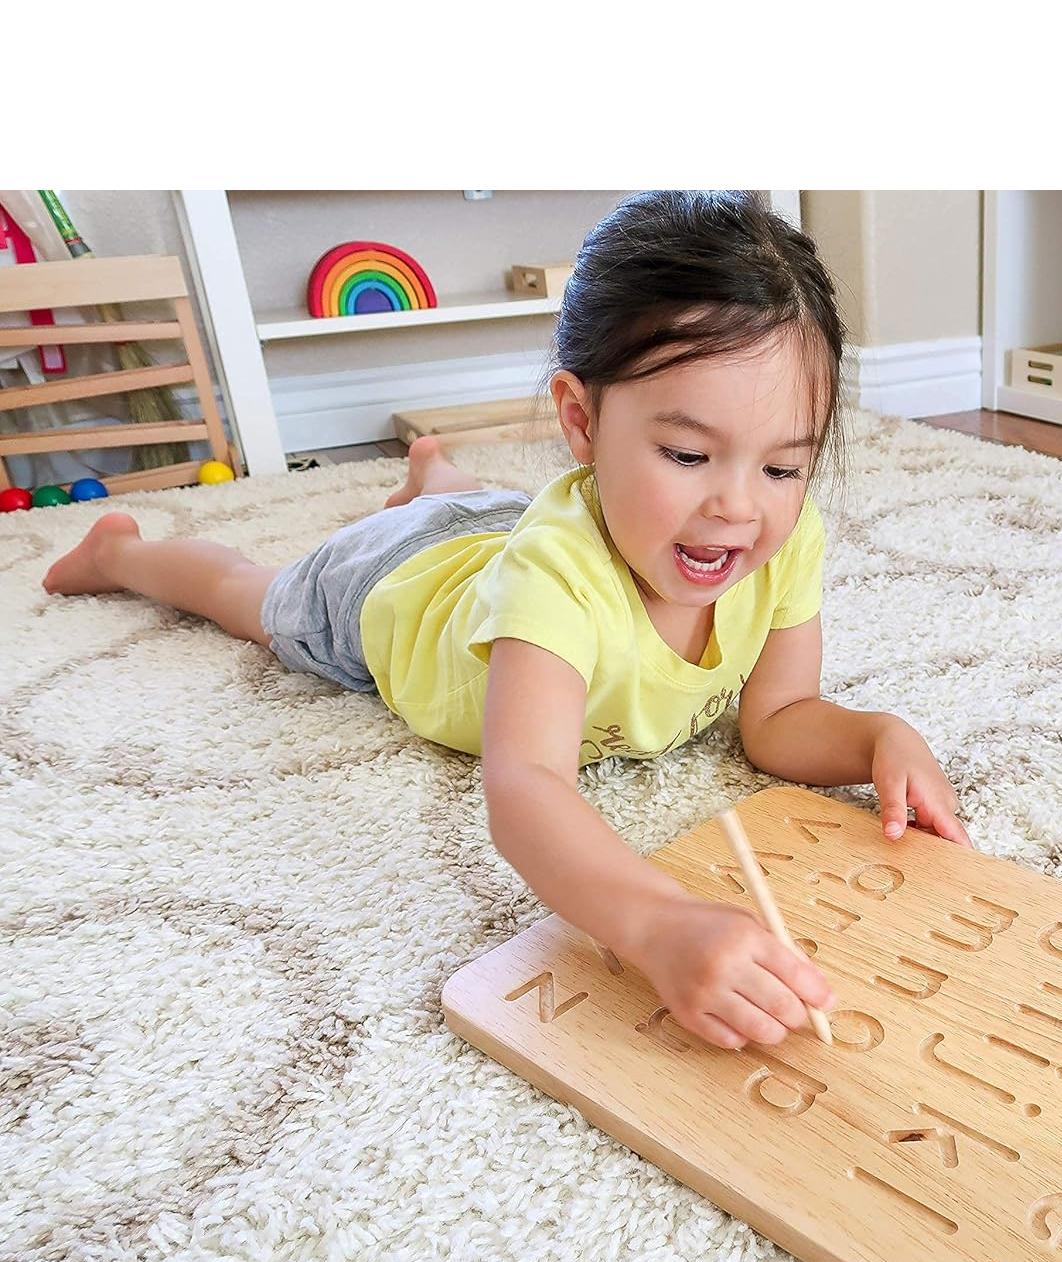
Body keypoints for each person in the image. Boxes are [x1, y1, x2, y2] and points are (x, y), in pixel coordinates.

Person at [42, 190, 970, 1051]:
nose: (739, 508)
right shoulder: (554, 576)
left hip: (496, 529)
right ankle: (124, 551)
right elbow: (526, 786)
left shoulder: (783, 534)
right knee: (251, 597)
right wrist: (657, 920)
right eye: (689, 453)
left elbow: (779, 720)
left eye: (781, 467)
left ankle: (433, 478)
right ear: (580, 420)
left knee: (479, 507)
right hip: (392, 593)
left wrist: (878, 736)